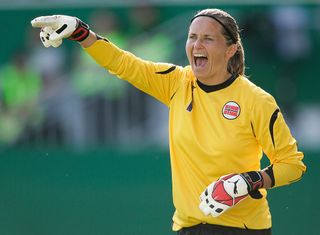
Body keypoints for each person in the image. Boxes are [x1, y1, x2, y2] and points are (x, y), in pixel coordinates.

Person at [31, 8, 306, 235]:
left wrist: (252, 180)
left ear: (231, 49)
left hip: (242, 229)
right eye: (192, 37)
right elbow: (124, 64)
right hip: (187, 227)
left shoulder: (256, 100)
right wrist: (81, 32)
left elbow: (292, 165)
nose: (197, 45)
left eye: (208, 39)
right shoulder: (178, 82)